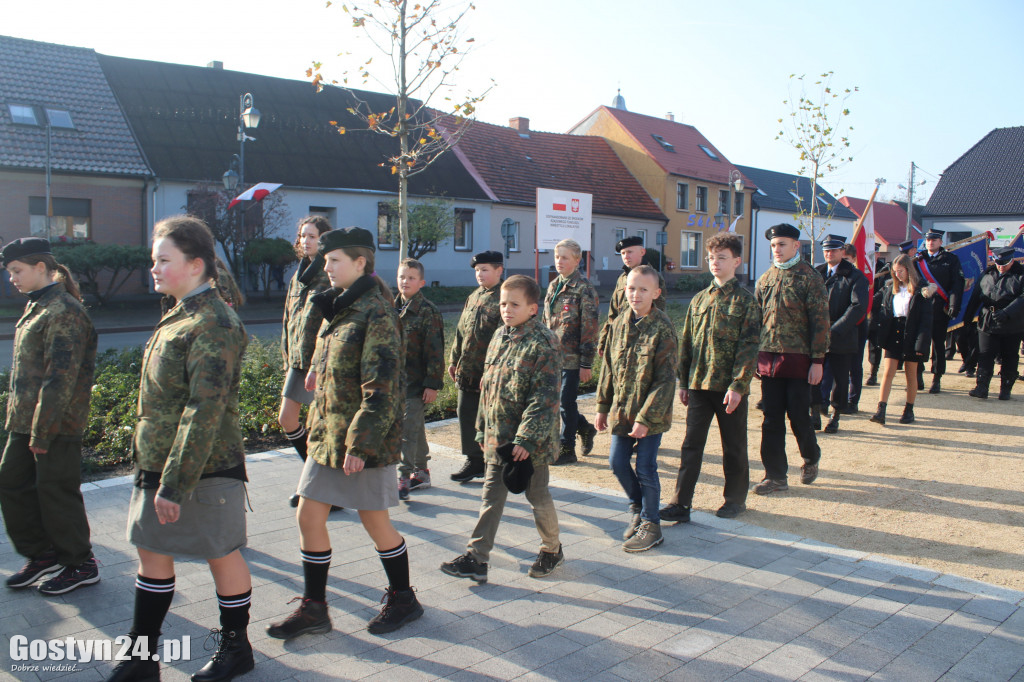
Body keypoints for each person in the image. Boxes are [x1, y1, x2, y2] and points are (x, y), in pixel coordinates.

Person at [107, 216, 253, 682]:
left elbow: (204, 409)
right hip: (159, 460)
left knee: (220, 553)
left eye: (163, 260)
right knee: (151, 551)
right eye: (154, 260)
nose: (153, 268)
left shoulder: (214, 322)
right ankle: (141, 658)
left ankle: (236, 649)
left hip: (203, 467)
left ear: (195, 265)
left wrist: (174, 484)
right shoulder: (181, 312)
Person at [267, 227, 422, 640]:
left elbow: (382, 387)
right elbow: (335, 354)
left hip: (361, 440)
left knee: (376, 523)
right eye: (326, 260)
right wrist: (318, 369)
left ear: (360, 263)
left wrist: (361, 444)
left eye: (335, 260)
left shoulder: (377, 312)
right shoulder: (340, 305)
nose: (328, 267)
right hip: (328, 434)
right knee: (308, 515)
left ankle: (404, 598)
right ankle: (314, 608)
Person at [440, 275, 564, 582]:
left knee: (537, 496)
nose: (506, 309)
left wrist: (526, 439)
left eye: (514, 304)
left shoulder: (544, 343)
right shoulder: (499, 336)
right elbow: (489, 388)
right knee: (491, 497)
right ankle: (477, 558)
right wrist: (482, 430)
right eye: (503, 304)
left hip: (529, 443)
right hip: (499, 436)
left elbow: (544, 398)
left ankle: (552, 549)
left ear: (532, 308)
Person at [0, 238, 99, 596]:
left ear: (40, 267)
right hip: (24, 421)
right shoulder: (38, 305)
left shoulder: (64, 310)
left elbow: (60, 378)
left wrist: (42, 432)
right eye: (9, 272)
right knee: (10, 481)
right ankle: (43, 554)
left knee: (56, 491)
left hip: (56, 423)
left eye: (16, 271)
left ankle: (81, 563)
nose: (11, 278)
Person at [661, 234, 759, 524]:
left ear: (737, 261)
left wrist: (739, 386)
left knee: (734, 446)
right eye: (711, 258)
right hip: (699, 384)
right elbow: (688, 342)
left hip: (728, 388)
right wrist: (683, 382)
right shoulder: (700, 298)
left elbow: (749, 347)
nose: (715, 263)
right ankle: (681, 503)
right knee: (691, 445)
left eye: (722, 258)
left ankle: (735, 500)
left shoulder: (745, 301)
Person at [596, 265, 678, 551]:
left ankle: (652, 525)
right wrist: (602, 406)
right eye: (631, 288)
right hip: (622, 411)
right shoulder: (619, 323)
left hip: (650, 415)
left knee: (645, 467)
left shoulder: (662, 327)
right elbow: (608, 368)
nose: (636, 294)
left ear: (656, 293)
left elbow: (665, 380)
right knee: (617, 462)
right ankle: (638, 506)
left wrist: (645, 419)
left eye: (643, 289)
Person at [753, 224, 830, 495]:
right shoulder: (766, 278)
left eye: (782, 244)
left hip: (799, 359)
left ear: (796, 246)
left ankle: (811, 456)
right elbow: (757, 320)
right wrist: (755, 356)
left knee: (798, 416)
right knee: (771, 419)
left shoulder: (810, 278)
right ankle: (775, 476)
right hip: (769, 360)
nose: (777, 249)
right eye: (774, 245)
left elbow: (820, 322)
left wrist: (818, 361)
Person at [279, 216, 333, 508]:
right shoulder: (298, 275)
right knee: (289, 420)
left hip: (317, 362)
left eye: (312, 236)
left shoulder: (327, 274)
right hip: (298, 360)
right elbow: (288, 319)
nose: (306, 241)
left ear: (323, 240)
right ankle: (319, 487)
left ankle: (318, 488)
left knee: (309, 424)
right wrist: (287, 355)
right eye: (303, 236)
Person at [542, 239, 600, 466]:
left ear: (577, 260)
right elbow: (546, 322)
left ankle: (567, 448)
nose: (559, 261)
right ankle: (584, 427)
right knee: (557, 401)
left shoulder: (584, 289)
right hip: (553, 357)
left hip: (573, 359)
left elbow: (590, 328)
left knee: (566, 402)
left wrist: (586, 363)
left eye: (565, 257)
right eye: (557, 257)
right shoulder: (554, 285)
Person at [448, 251, 504, 483]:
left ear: (499, 270)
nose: (479, 274)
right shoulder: (474, 296)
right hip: (468, 370)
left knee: (492, 419)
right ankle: (474, 460)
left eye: (485, 270)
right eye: (477, 270)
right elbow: (461, 331)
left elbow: (504, 338)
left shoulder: (504, 297)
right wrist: (454, 359)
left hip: (490, 373)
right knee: (465, 412)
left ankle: (496, 463)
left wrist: (493, 371)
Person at [395, 258, 445, 499]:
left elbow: (435, 350)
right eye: (402, 277)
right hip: (394, 383)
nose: (405, 281)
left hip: (416, 382)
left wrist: (432, 384)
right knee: (414, 427)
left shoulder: (428, 311)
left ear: (421, 282)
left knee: (407, 429)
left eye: (411, 278)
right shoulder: (390, 307)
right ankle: (422, 472)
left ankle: (404, 476)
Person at [869, 254, 932, 425]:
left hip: (912, 332)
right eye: (895, 272)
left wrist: (921, 344)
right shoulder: (890, 288)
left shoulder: (921, 290)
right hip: (894, 332)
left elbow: (926, 321)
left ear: (909, 270)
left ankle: (909, 410)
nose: (897, 275)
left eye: (901, 271)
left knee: (911, 374)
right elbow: (878, 306)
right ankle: (881, 410)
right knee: (888, 372)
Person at [814, 235, 868, 433]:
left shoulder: (854, 276)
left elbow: (858, 306)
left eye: (833, 250)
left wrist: (835, 329)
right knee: (814, 376)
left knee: (841, 379)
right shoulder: (817, 273)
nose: (829, 254)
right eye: (826, 250)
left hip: (842, 336)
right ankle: (815, 412)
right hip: (817, 336)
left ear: (842, 252)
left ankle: (835, 415)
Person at [964, 247, 1024, 400]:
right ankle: (982, 387)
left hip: (1012, 322)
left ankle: (1006, 389)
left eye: (1004, 263)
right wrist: (968, 317)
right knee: (985, 355)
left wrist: (1007, 312)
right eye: (998, 263)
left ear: (1012, 260)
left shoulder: (1021, 274)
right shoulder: (988, 273)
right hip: (988, 320)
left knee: (1010, 356)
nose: (1001, 266)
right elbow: (976, 295)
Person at [596, 236, 666, 360]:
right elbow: (613, 313)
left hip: (643, 341)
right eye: (623, 253)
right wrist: (604, 338)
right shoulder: (622, 278)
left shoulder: (653, 277)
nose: (626, 256)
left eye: (629, 252)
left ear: (642, 252)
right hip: (619, 338)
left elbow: (657, 311)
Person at [914, 229, 965, 394]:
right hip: (920, 308)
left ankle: (936, 377)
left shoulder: (950, 259)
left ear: (941, 242)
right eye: (928, 240)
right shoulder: (918, 260)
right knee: (919, 343)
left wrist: (953, 305)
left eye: (934, 240)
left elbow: (957, 284)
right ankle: (918, 375)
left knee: (938, 345)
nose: (931, 242)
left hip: (939, 309)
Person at [843, 243, 870, 412]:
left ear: (853, 259)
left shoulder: (859, 278)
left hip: (856, 326)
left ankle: (853, 400)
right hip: (838, 327)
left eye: (846, 259)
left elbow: (859, 305)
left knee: (855, 366)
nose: (843, 262)